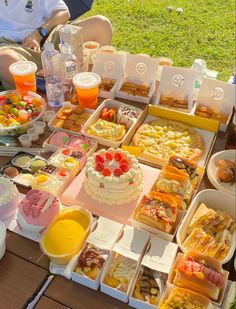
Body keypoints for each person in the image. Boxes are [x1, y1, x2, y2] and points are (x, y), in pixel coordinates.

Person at [0, 0, 112, 89]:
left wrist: (39, 33)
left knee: (100, 25)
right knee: (6, 61)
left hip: (48, 35)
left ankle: (98, 87)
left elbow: (63, 13)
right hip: (11, 46)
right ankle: (45, 99)